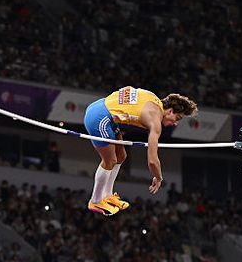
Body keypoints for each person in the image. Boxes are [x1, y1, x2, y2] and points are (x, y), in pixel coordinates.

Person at [81, 87, 197, 215]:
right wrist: (158, 178)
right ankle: (95, 201)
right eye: (178, 118)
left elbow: (128, 92)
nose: (175, 123)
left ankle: (107, 196)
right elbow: (152, 161)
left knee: (121, 156)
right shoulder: (155, 121)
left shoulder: (153, 97)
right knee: (110, 160)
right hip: (100, 118)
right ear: (169, 111)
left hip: (103, 109)